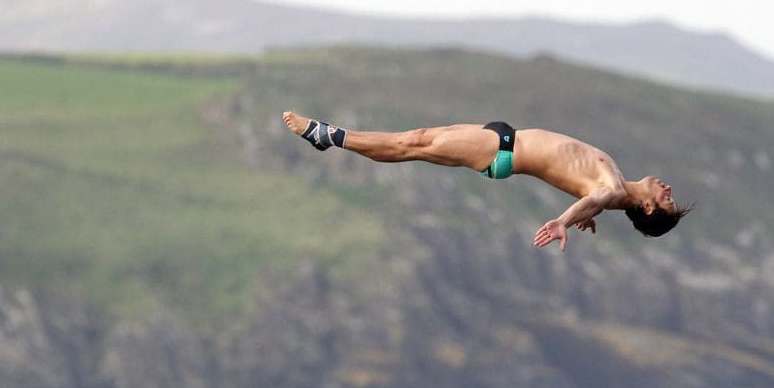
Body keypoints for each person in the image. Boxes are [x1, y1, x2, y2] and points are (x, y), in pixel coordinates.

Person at [282, 111, 693, 252]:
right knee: (419, 138)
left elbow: (597, 197)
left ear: (650, 208)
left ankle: (328, 135)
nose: (668, 189)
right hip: (504, 137)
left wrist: (566, 221)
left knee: (410, 144)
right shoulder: (617, 186)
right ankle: (329, 138)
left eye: (667, 200)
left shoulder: (615, 189)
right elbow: (592, 195)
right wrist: (586, 212)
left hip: (502, 152)